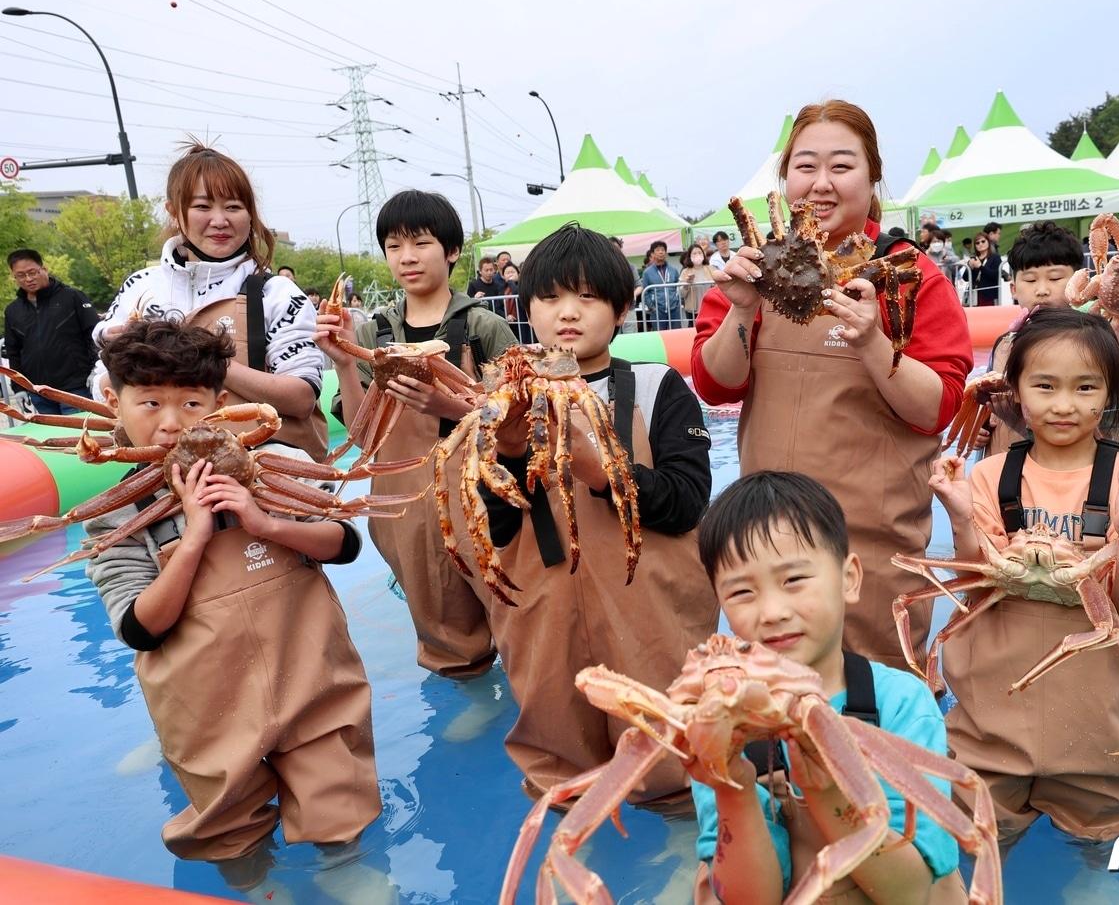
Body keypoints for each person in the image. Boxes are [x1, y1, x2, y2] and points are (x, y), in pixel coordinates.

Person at [692, 99, 973, 669]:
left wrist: (872, 339)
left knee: (882, 706)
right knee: (781, 701)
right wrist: (742, 312)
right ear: (785, 178)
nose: (821, 183)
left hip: (872, 546)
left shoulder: (907, 271)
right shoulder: (757, 266)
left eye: (841, 166)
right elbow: (714, 385)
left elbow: (939, 406)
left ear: (872, 179)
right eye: (805, 166)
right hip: (770, 541)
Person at [86, 319, 379, 864]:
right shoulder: (116, 515)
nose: (172, 424)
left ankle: (349, 871)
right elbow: (139, 628)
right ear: (112, 401)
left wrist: (266, 523)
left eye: (192, 404)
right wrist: (195, 536)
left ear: (222, 403)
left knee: (338, 803)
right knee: (231, 833)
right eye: (150, 404)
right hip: (206, 706)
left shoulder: (271, 465)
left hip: (309, 676)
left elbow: (343, 543)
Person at [481, 223, 717, 804]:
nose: (568, 313)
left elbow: (689, 500)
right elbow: (495, 528)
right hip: (545, 617)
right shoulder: (502, 402)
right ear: (525, 308)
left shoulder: (659, 386)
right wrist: (508, 453)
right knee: (557, 774)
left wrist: (599, 469)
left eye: (587, 297)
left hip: (652, 615)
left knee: (674, 764)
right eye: (551, 297)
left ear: (621, 309)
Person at [931, 307, 1119, 846]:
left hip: (1096, 710)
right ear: (1014, 391)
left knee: (1102, 817)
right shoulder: (990, 476)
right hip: (994, 707)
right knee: (978, 821)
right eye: (1045, 386)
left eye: (1086, 387)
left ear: (1111, 393)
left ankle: (1094, 858)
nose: (1065, 405)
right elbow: (972, 585)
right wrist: (960, 514)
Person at [690, 471, 965, 904]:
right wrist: (732, 785)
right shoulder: (720, 725)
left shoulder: (900, 706)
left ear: (849, 578)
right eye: (742, 591)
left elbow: (914, 893)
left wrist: (827, 788)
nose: (773, 611)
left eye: (794, 580)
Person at [319, 190, 517, 678]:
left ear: (451, 251)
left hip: (482, 493)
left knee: (516, 601)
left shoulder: (482, 327)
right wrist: (344, 361)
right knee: (440, 618)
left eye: (421, 243)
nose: (406, 257)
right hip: (406, 502)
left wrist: (447, 405)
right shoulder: (373, 334)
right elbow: (364, 437)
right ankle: (466, 682)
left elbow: (518, 417)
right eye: (393, 246)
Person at [90, 142, 329, 460]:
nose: (220, 220)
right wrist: (125, 355)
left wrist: (202, 356)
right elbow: (100, 387)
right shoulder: (141, 288)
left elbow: (301, 399)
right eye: (202, 207)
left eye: (233, 207)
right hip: (160, 470)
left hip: (260, 471)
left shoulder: (278, 294)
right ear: (174, 212)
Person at [975, 221, 1105, 458]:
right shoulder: (1004, 344)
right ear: (1014, 288)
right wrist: (982, 430)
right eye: (1031, 280)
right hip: (1005, 466)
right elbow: (990, 410)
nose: (1042, 290)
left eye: (1055, 278)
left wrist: (1014, 420)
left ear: (1080, 281)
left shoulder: (1093, 340)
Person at [4, 248, 99, 414]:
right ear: (14, 277)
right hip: (39, 392)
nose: (28, 279)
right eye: (21, 275)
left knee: (79, 437)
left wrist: (96, 369)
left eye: (32, 272)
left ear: (44, 269)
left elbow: (95, 335)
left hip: (76, 388)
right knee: (51, 438)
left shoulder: (72, 297)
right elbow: (13, 352)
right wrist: (18, 387)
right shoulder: (12, 311)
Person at [640, 240, 682, 331]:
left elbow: (678, 288)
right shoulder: (647, 272)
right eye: (658, 250)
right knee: (660, 336)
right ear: (652, 254)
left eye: (663, 250)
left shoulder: (673, 270)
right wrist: (652, 307)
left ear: (666, 253)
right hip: (657, 311)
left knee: (676, 335)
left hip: (674, 310)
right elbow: (645, 292)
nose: (661, 252)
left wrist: (678, 303)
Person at [679, 243, 714, 325]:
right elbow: (681, 294)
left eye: (699, 252)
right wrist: (687, 283)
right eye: (694, 253)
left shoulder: (711, 269)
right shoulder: (685, 272)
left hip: (709, 308)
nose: (697, 255)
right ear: (690, 256)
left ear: (703, 254)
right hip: (693, 310)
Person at [966, 232, 998, 307]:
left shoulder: (995, 257)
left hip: (989, 295)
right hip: (974, 294)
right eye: (977, 243)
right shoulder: (974, 258)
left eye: (983, 241)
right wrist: (970, 267)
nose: (980, 244)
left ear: (988, 242)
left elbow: (995, 275)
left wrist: (981, 267)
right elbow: (966, 278)